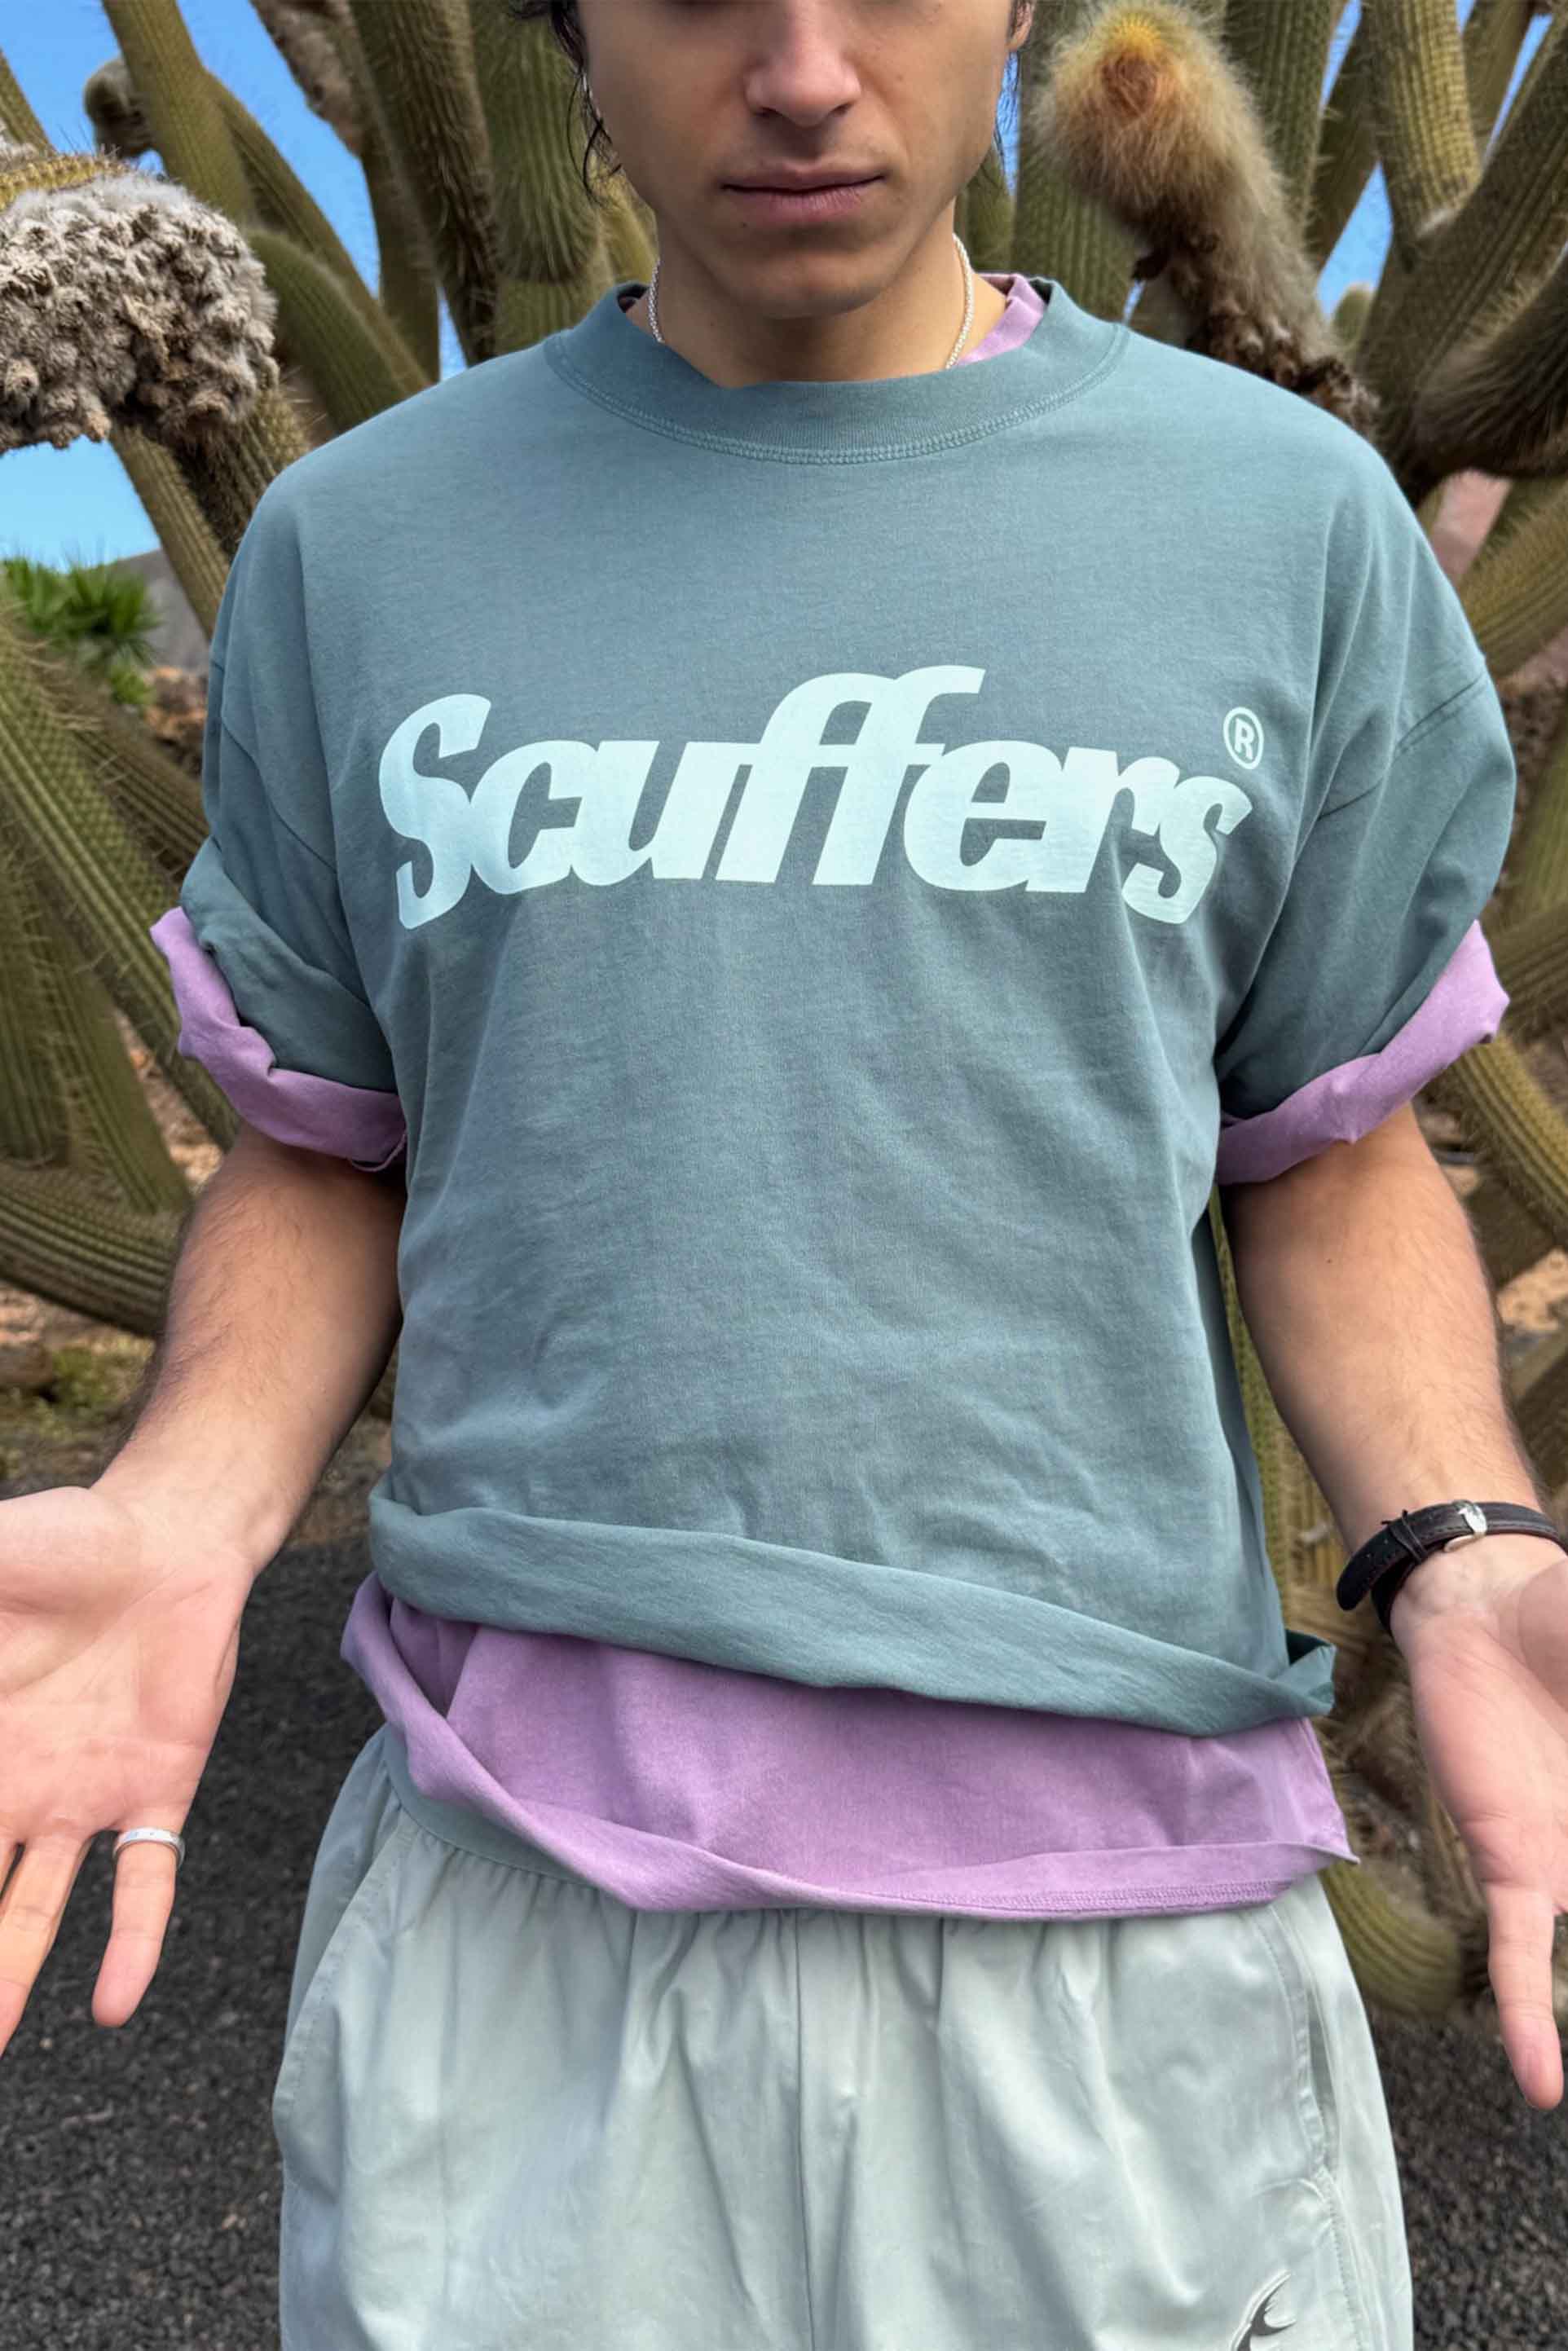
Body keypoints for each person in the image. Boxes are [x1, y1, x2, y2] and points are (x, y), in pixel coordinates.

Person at [0, 2, 1523, 2344]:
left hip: (1125, 1944)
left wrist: (1466, 1549)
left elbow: (1323, 1149)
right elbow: (331, 1143)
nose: (804, 69)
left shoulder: (1285, 526)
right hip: (519, 1937)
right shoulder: (359, 548)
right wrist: (185, 1510)